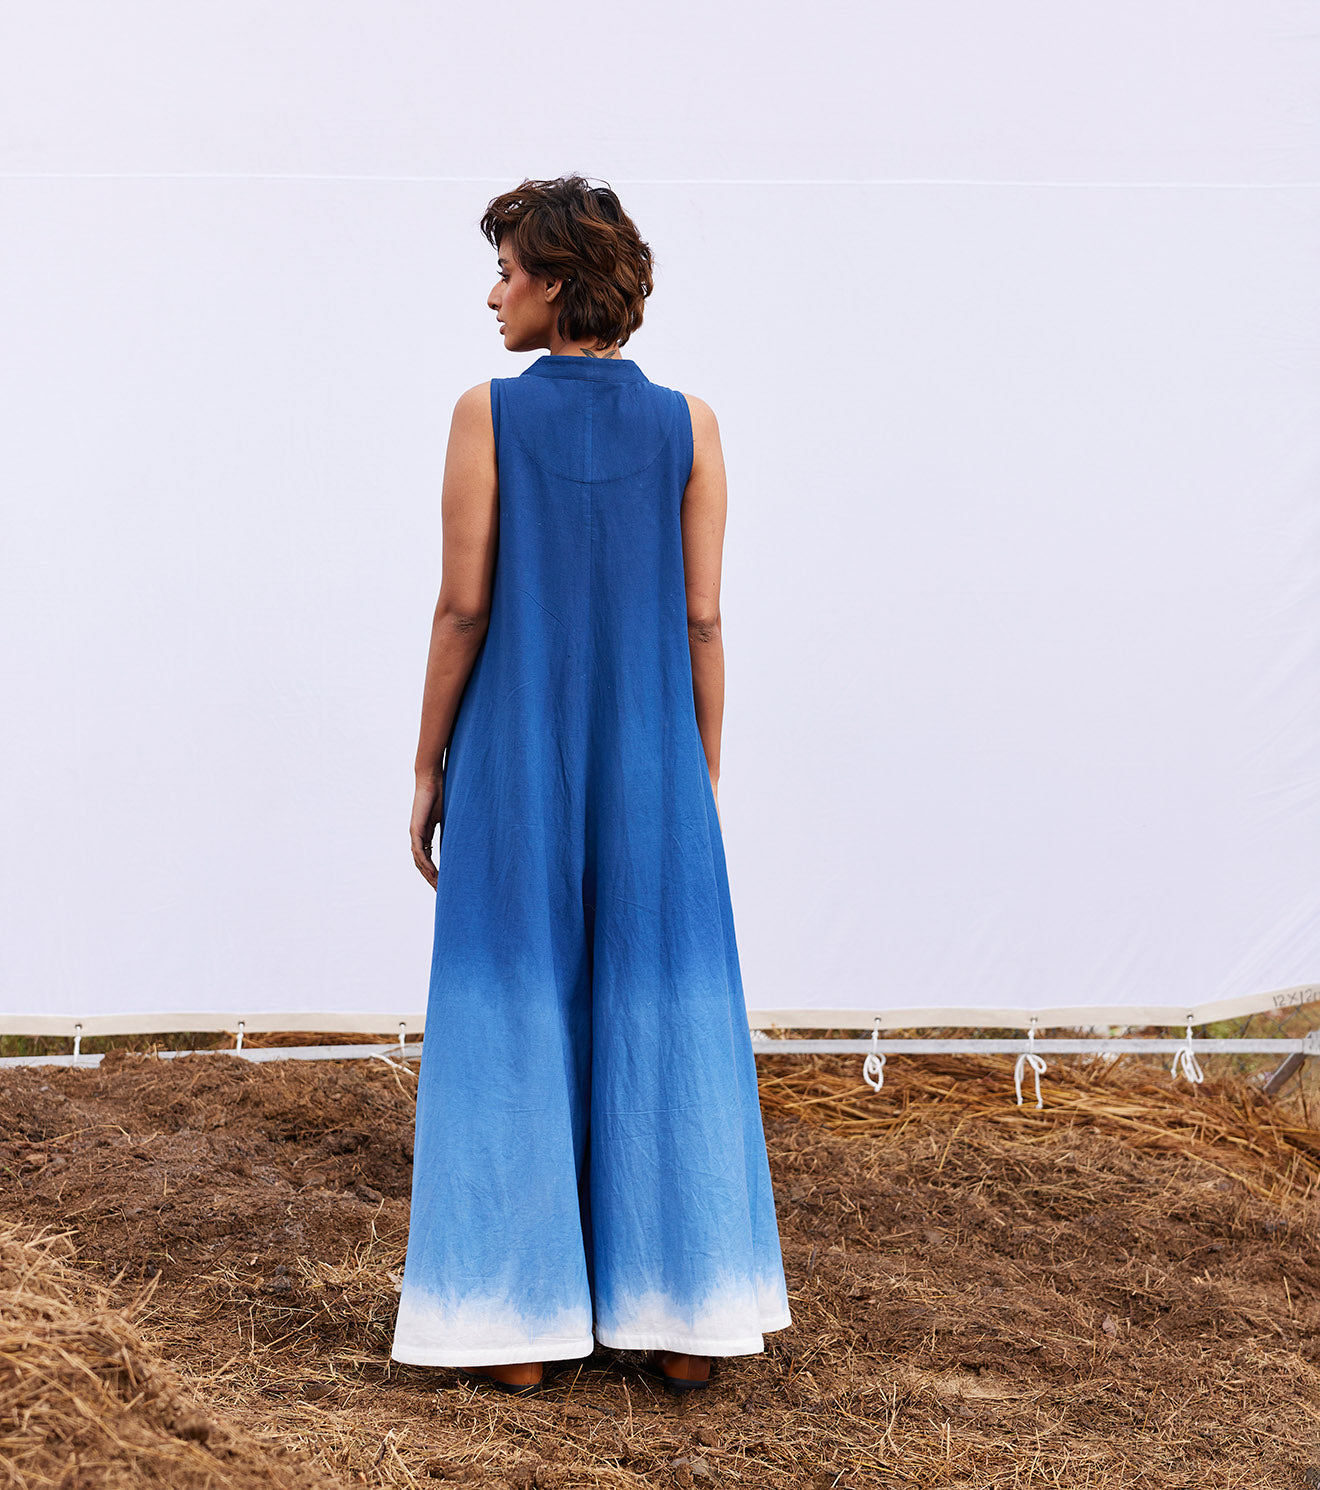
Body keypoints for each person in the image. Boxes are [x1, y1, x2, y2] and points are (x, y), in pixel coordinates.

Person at [389, 175, 791, 1397]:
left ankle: (514, 1326)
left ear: (555, 283)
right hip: (652, 753)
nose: (493, 293)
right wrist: (696, 765)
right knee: (662, 1008)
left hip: (517, 750)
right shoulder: (692, 425)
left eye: (508, 270)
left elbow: (463, 608)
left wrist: (426, 763)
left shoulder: (485, 415)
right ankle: (687, 1315)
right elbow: (704, 618)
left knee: (512, 1006)